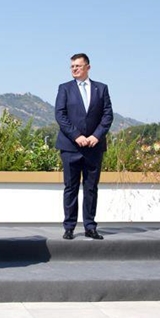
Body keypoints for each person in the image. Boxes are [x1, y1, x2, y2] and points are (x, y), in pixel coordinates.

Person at [54, 53, 113, 240]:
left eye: (78, 66)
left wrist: (96, 136)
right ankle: (69, 226)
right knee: (70, 187)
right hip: (71, 147)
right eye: (72, 66)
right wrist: (76, 136)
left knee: (91, 188)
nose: (74, 69)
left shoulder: (101, 89)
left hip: (94, 148)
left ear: (88, 67)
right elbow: (60, 115)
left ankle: (90, 226)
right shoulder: (64, 89)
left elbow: (107, 115)